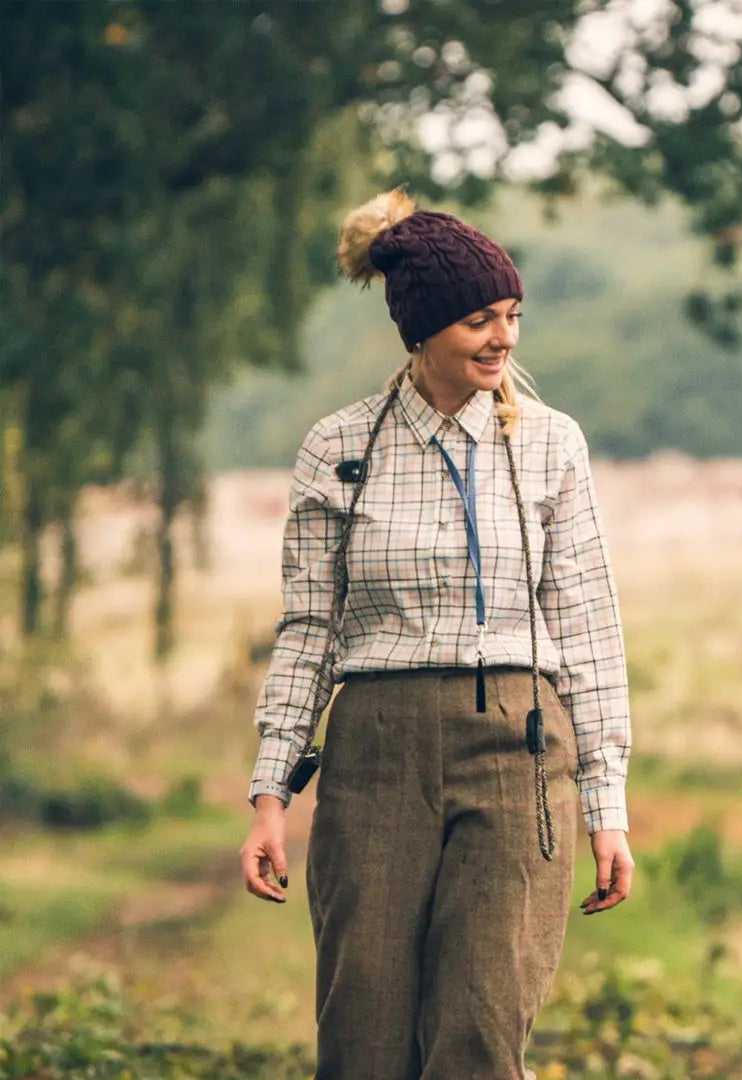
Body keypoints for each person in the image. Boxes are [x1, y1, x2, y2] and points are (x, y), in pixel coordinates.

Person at [240, 188, 633, 1080]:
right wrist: (272, 791)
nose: (503, 338)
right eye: (477, 320)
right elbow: (308, 628)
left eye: (511, 316)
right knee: (364, 1038)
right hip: (374, 753)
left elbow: (590, 630)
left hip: (520, 750)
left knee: (479, 1035)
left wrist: (607, 811)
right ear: (421, 330)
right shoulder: (340, 448)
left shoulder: (551, 446)